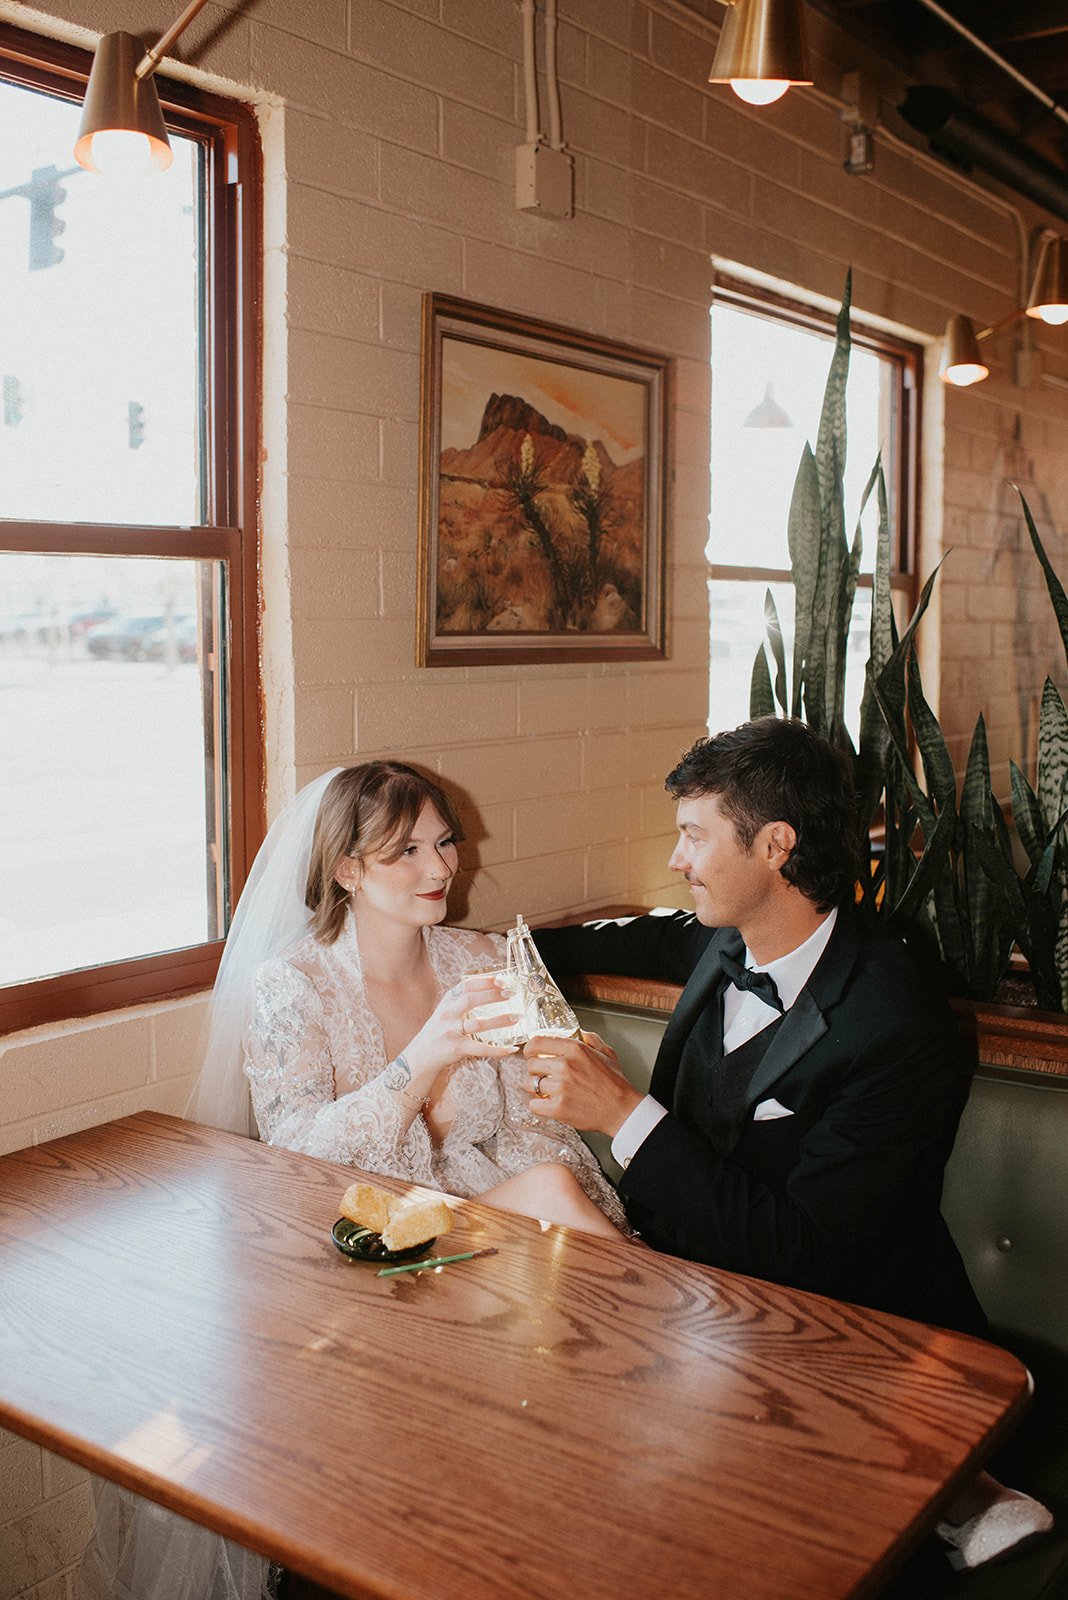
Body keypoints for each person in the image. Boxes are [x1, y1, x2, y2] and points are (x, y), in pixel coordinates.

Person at [80, 761, 627, 1600]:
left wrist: (558, 1091)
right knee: (556, 1220)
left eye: (444, 842)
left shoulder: (482, 957)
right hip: (357, 1247)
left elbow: (535, 1132)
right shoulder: (292, 990)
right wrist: (423, 1061)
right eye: (404, 851)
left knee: (554, 1191)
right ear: (346, 870)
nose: (441, 869)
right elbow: (297, 1157)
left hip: (492, 1220)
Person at [525, 716, 1053, 1570]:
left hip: (842, 1326)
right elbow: (630, 938)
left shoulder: (895, 1024)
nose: (675, 860)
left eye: (694, 837)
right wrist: (481, 948)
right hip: (690, 1293)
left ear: (774, 846)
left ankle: (960, 1485)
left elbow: (806, 1253)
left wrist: (622, 1112)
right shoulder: (719, 934)